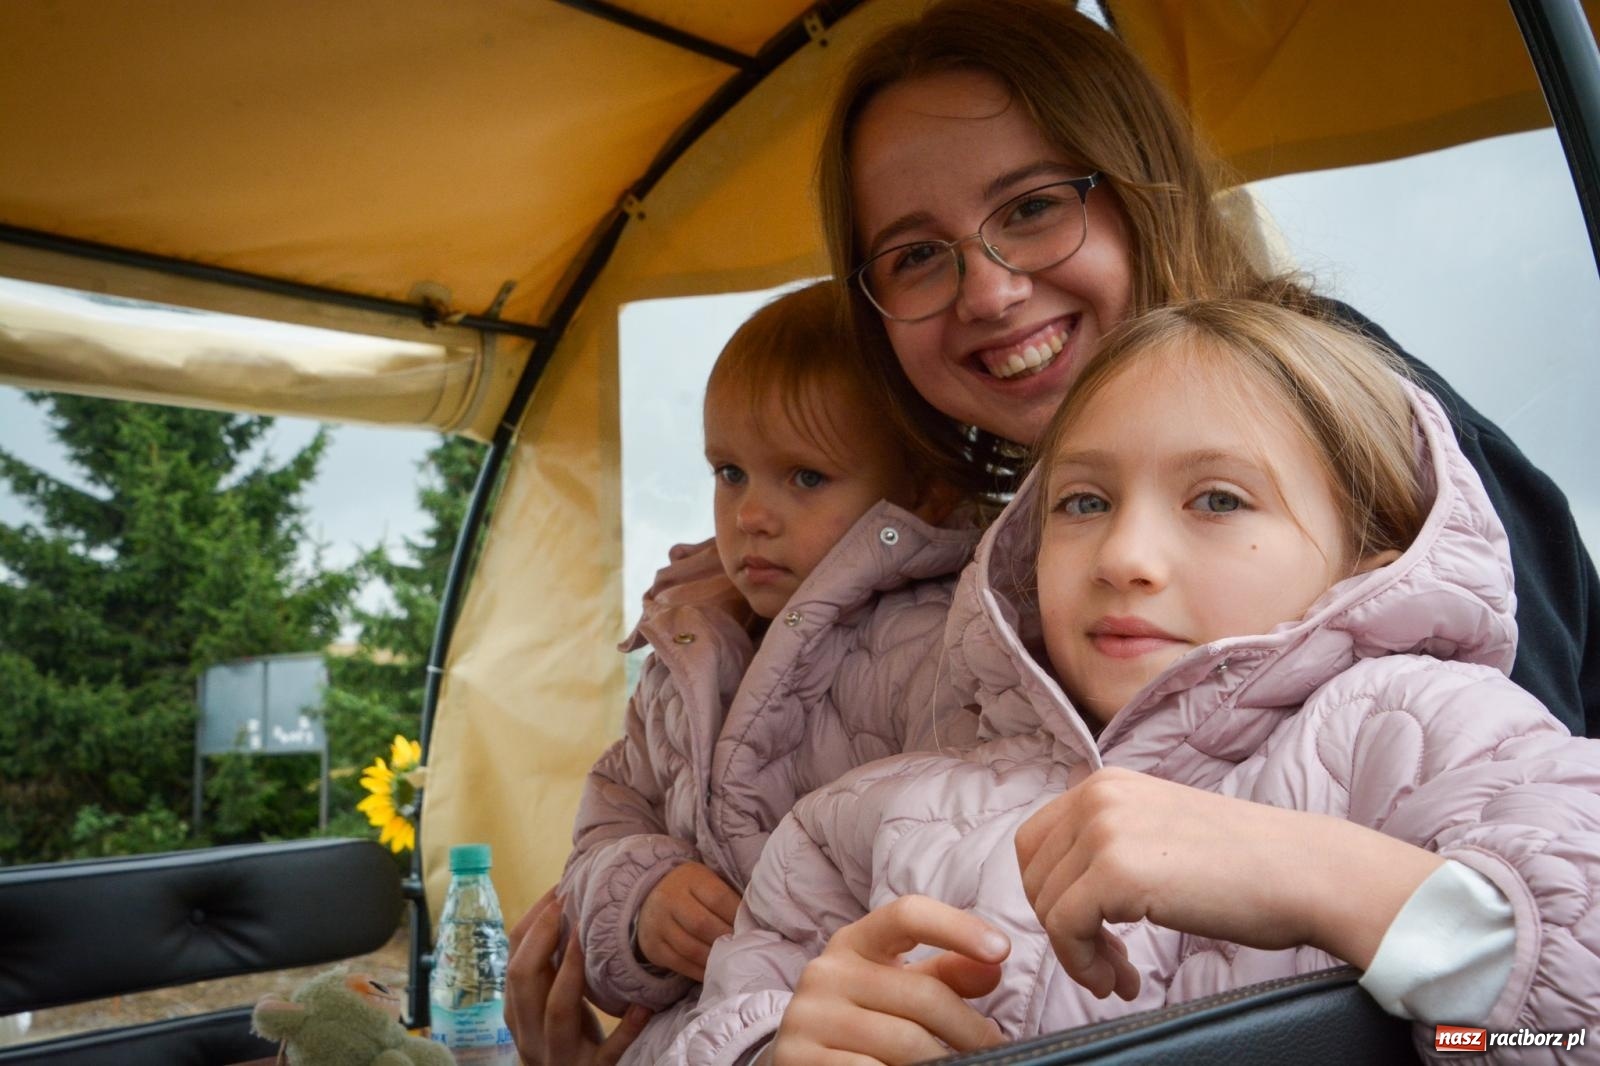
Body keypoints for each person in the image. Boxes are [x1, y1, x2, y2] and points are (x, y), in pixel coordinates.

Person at [656, 298, 1600, 1065]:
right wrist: (775, 1053)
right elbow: (720, 1024)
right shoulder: (863, 816)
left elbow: (1560, 1032)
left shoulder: (1430, 732)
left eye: (1219, 500)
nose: (1125, 555)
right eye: (1084, 501)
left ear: (1366, 560)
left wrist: (1330, 880)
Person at [816, 0, 1598, 737]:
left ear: (1140, 187)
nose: (989, 292)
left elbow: (1535, 838)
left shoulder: (1344, 408)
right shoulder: (974, 542)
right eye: (915, 255)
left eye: (1031, 207)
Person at [554, 279, 981, 1022]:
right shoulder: (682, 660)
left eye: (806, 477)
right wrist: (639, 901)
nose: (750, 514)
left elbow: (951, 887)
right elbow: (605, 829)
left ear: (927, 492)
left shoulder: (942, 649)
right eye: (730, 472)